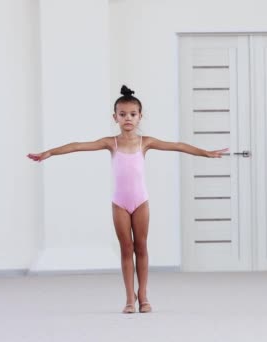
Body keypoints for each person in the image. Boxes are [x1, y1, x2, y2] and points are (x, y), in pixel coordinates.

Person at [27, 85, 227, 313]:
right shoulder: (110, 142)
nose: (128, 118)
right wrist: (49, 152)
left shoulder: (146, 142)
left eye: (133, 114)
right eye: (122, 115)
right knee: (126, 249)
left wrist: (206, 152)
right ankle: (128, 299)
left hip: (141, 202)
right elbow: (77, 146)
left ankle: (143, 295)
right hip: (119, 203)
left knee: (141, 247)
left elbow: (177, 146)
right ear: (115, 117)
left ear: (141, 116)